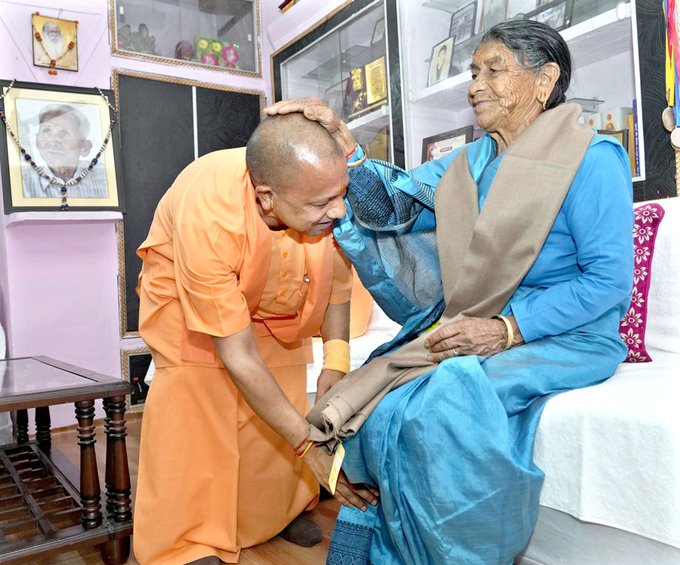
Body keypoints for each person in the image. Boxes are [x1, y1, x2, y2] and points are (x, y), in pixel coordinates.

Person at [265, 19, 634, 564]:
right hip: (476, 320)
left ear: (545, 78)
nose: (475, 85)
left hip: (566, 335)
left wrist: (507, 329)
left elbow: (606, 282)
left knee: (437, 407)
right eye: (472, 71)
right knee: (382, 401)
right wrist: (345, 146)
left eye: (494, 70)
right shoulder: (471, 161)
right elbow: (393, 206)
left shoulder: (593, 158)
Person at [133, 113, 378, 565]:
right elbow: (239, 356)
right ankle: (188, 542)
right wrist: (308, 446)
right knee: (198, 420)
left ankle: (276, 513)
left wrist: (336, 362)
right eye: (324, 203)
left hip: (276, 308)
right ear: (267, 199)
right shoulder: (209, 213)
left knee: (281, 400)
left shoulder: (318, 198)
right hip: (192, 310)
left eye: (341, 194)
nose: (340, 211)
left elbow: (338, 283)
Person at [22, 104, 108, 198]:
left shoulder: (106, 179)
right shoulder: (21, 183)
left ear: (84, 147)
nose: (53, 141)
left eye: (64, 133)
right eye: (46, 131)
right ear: (37, 140)